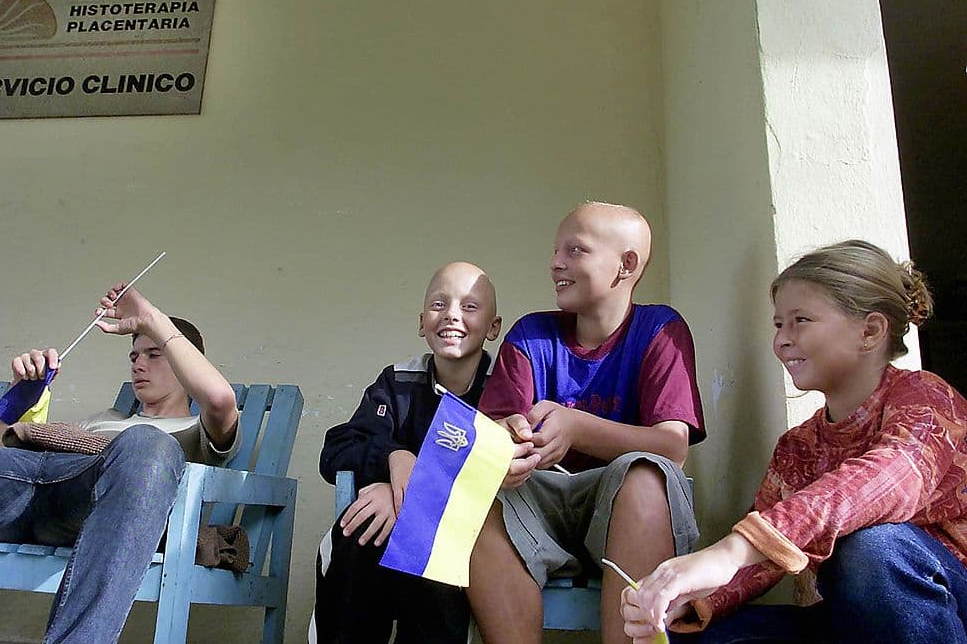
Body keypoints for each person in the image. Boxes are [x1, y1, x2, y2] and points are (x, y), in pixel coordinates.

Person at [621, 239, 967, 644]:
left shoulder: (926, 398)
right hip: (854, 621)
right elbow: (763, 562)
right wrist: (685, 599)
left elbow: (891, 478)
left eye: (800, 320)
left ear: (870, 330)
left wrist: (730, 551)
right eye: (778, 324)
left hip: (950, 605)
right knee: (698, 637)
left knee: (873, 546)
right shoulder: (798, 447)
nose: (782, 339)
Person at [0, 282, 240, 644]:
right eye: (133, 357)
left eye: (154, 354)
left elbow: (222, 400)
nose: (139, 364)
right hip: (25, 492)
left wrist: (151, 321)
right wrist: (17, 397)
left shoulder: (195, 431)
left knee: (149, 444)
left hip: (87, 505)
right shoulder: (100, 419)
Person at [468, 202, 706, 643]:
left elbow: (673, 447)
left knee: (647, 478)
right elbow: (492, 433)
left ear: (626, 265)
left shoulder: (660, 329)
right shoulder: (529, 336)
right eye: (556, 250)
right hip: (538, 506)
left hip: (623, 508)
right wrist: (507, 445)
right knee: (475, 494)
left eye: (575, 250)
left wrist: (577, 427)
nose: (555, 262)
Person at [312, 261, 504, 644]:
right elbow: (337, 449)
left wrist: (409, 497)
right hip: (390, 529)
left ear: (494, 327)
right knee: (357, 532)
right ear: (421, 323)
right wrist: (393, 458)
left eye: (469, 306)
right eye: (439, 305)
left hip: (463, 534)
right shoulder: (397, 381)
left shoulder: (504, 386)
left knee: (434, 563)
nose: (452, 315)